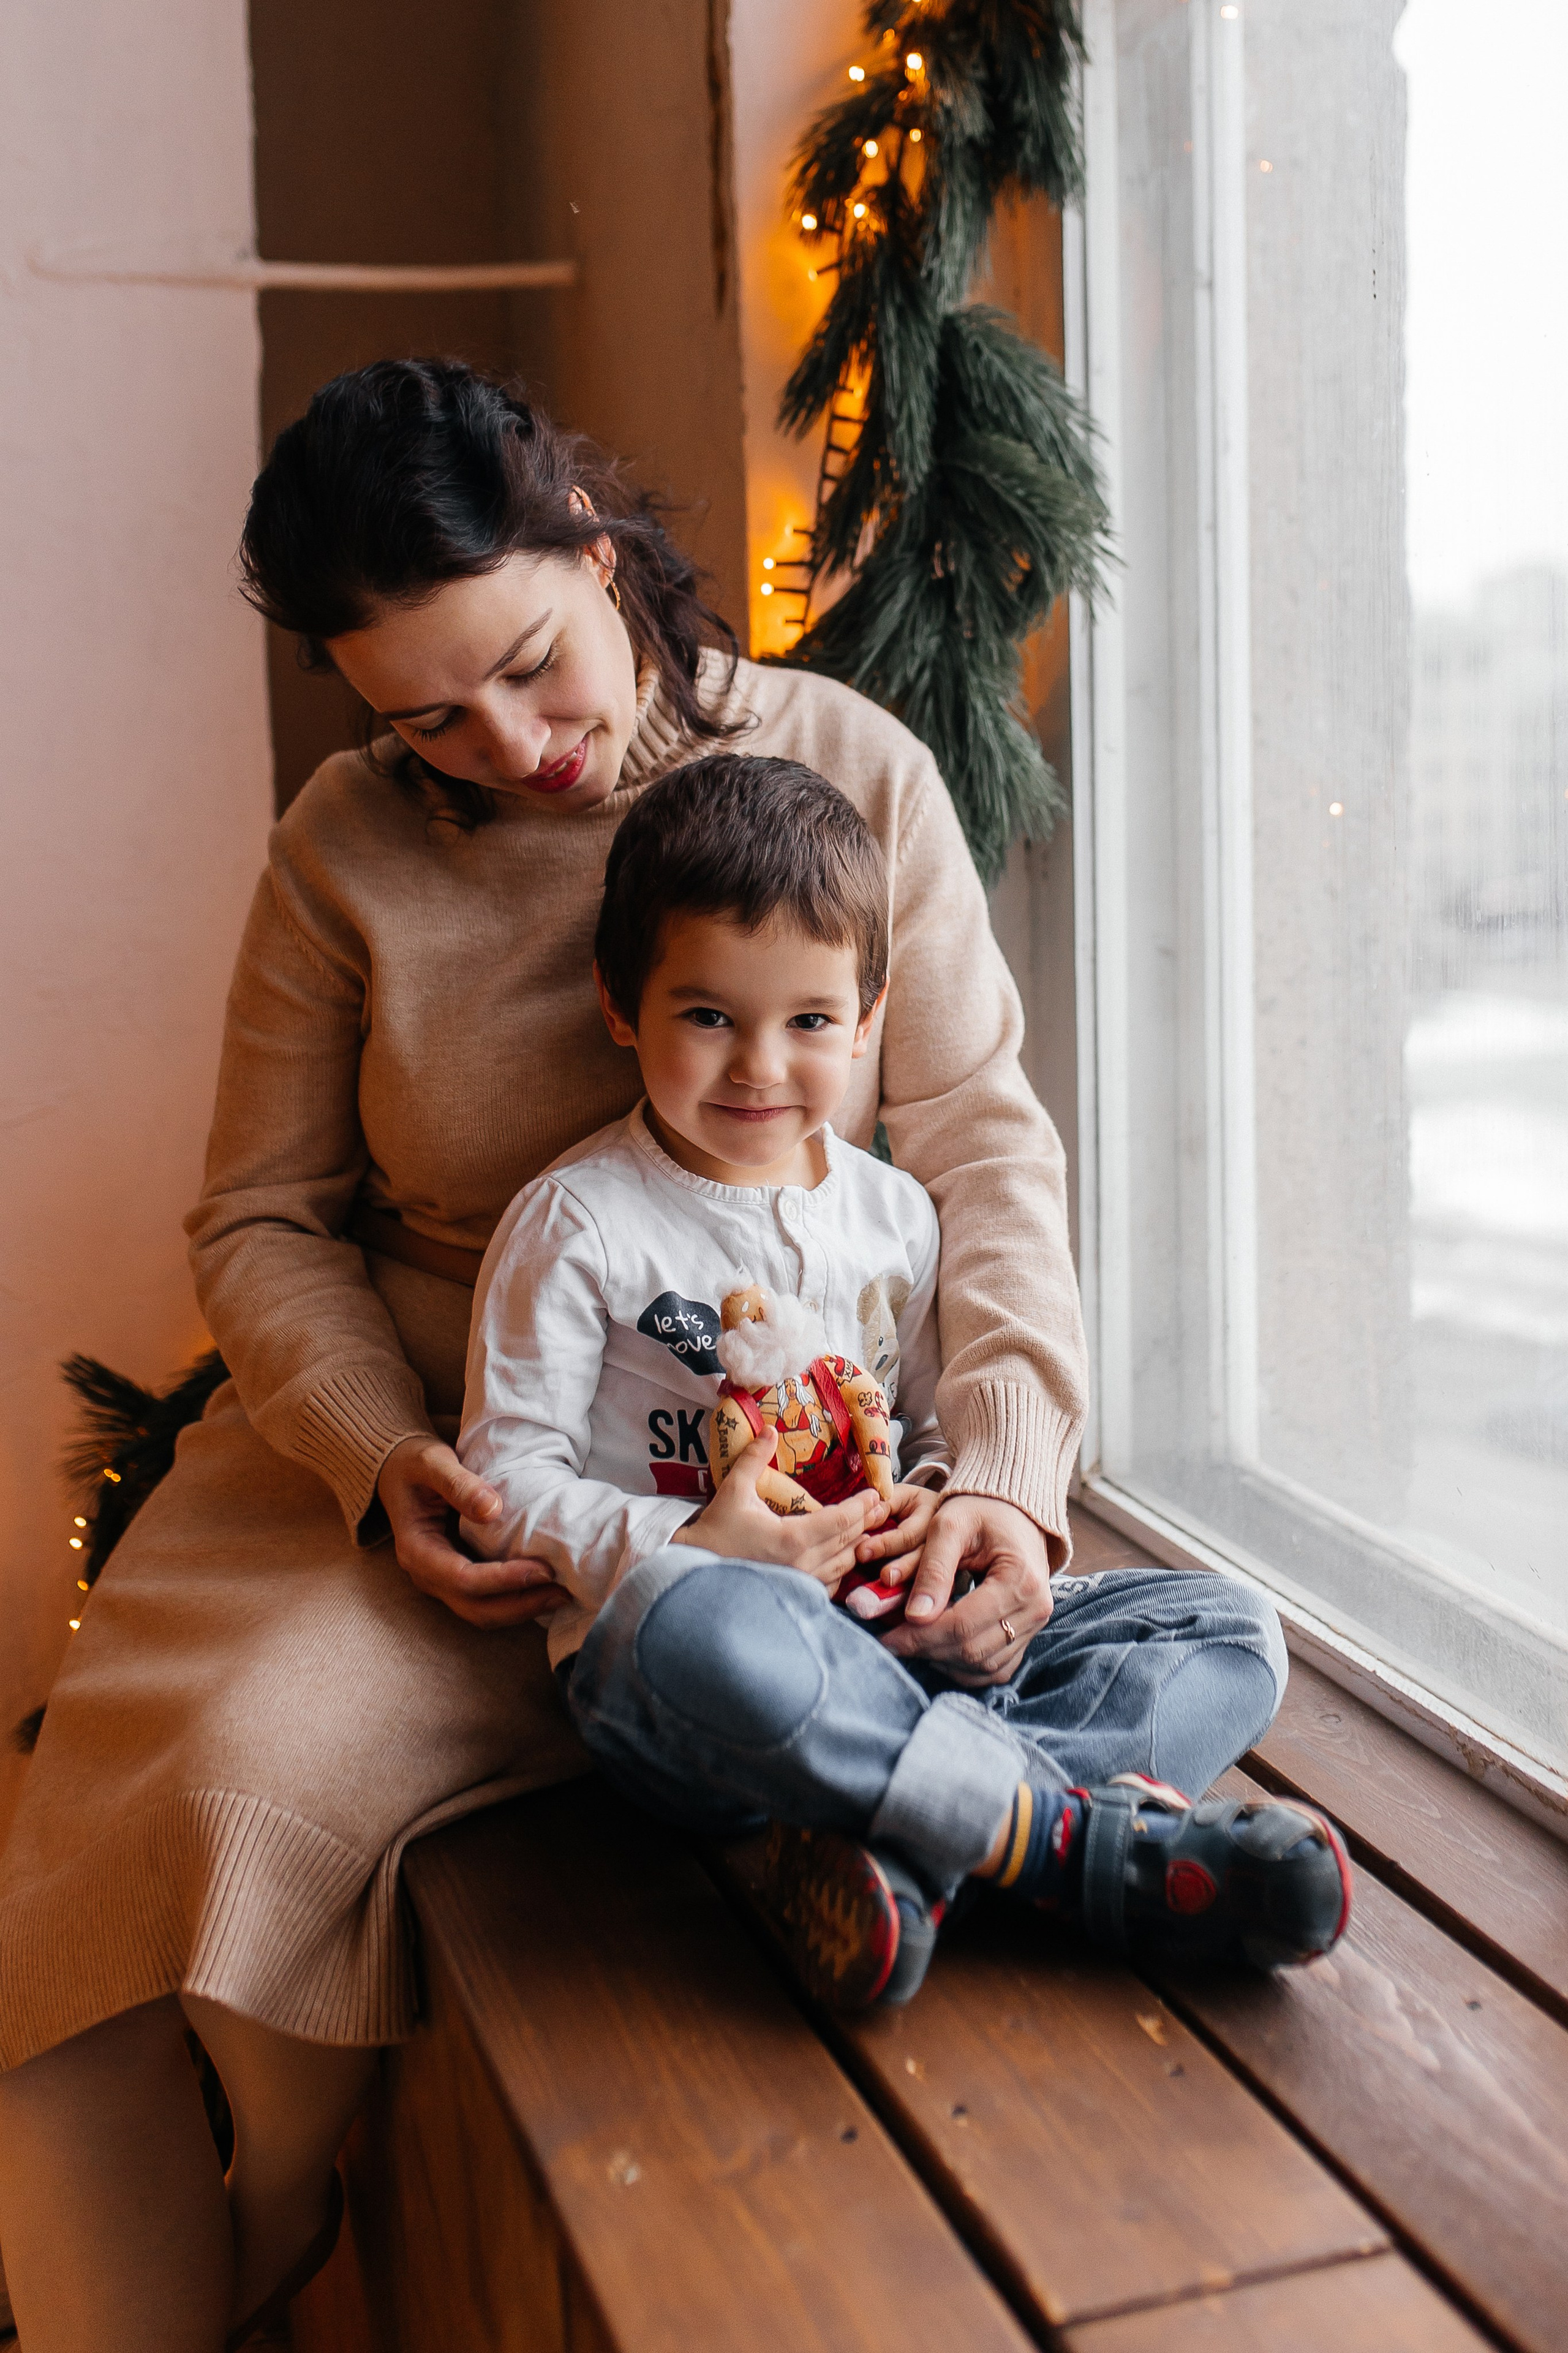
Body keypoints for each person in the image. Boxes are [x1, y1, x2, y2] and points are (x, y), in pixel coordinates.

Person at [0, 352, 1114, 2353]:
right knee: (59, 1993)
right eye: (426, 712)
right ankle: (225, 2246)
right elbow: (262, 1219)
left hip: (726, 1499)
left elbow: (979, 1147)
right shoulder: (347, 848)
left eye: (529, 665)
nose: (508, 746)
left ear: (593, 548)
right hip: (406, 1489)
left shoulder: (842, 765)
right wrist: (368, 1453)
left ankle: (263, 2223)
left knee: (259, 1828)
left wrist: (1017, 1485)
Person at [461, 753, 1351, 2011]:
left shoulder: (893, 1219)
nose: (759, 1068)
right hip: (731, 1678)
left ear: (869, 1016)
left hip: (905, 1651)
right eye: (707, 1015)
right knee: (680, 1621)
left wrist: (942, 1528)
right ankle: (1070, 1846)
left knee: (1227, 1628)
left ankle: (910, 1860)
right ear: (621, 1004)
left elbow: (929, 1428)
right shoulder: (580, 1225)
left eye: (810, 1022)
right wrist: (696, 1540)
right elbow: (504, 1479)